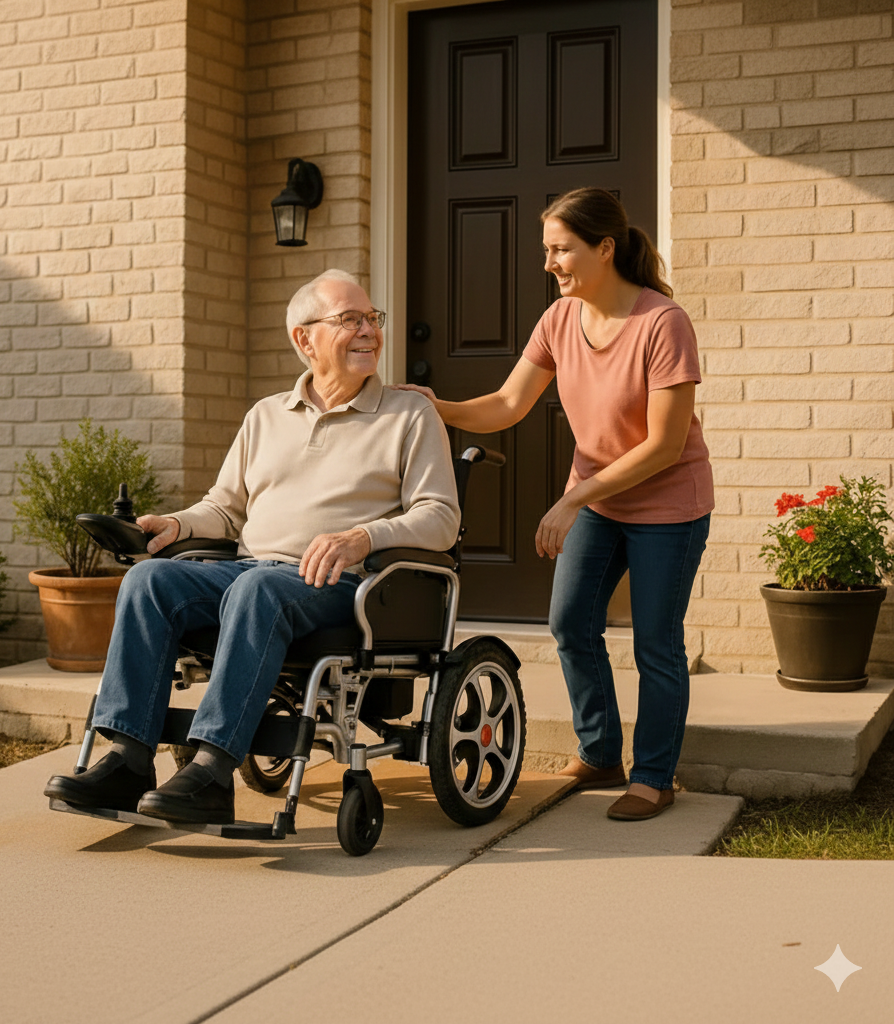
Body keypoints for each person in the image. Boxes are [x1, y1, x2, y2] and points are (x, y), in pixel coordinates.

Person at [45, 269, 460, 825]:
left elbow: (441, 519)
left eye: (371, 318)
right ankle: (127, 760)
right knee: (149, 581)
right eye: (350, 319)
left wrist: (364, 536)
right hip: (250, 573)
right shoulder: (265, 416)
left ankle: (213, 770)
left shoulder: (410, 414)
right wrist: (173, 523)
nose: (369, 331)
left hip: (344, 585)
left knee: (259, 587)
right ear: (304, 339)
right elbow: (224, 507)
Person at [394, 188, 713, 821]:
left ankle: (654, 776)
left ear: (604, 248)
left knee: (655, 642)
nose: (550, 264)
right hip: (599, 497)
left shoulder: (661, 324)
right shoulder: (560, 320)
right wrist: (440, 408)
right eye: (547, 250)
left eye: (561, 249)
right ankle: (600, 752)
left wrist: (573, 499)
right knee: (570, 623)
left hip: (667, 504)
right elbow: (509, 405)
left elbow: (663, 446)